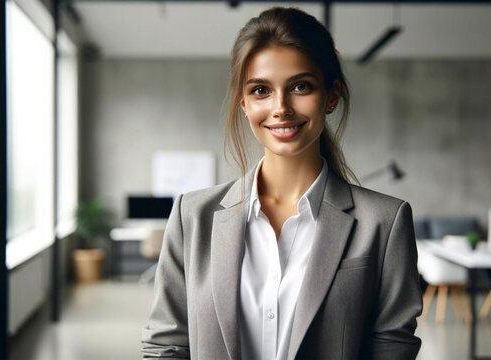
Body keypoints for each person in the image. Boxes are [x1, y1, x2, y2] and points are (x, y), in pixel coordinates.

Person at [142, 7, 422, 360]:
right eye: (261, 90)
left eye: (300, 86)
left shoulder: (385, 222)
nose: (281, 108)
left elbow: (392, 348)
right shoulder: (191, 216)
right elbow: (166, 345)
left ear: (331, 96)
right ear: (244, 104)